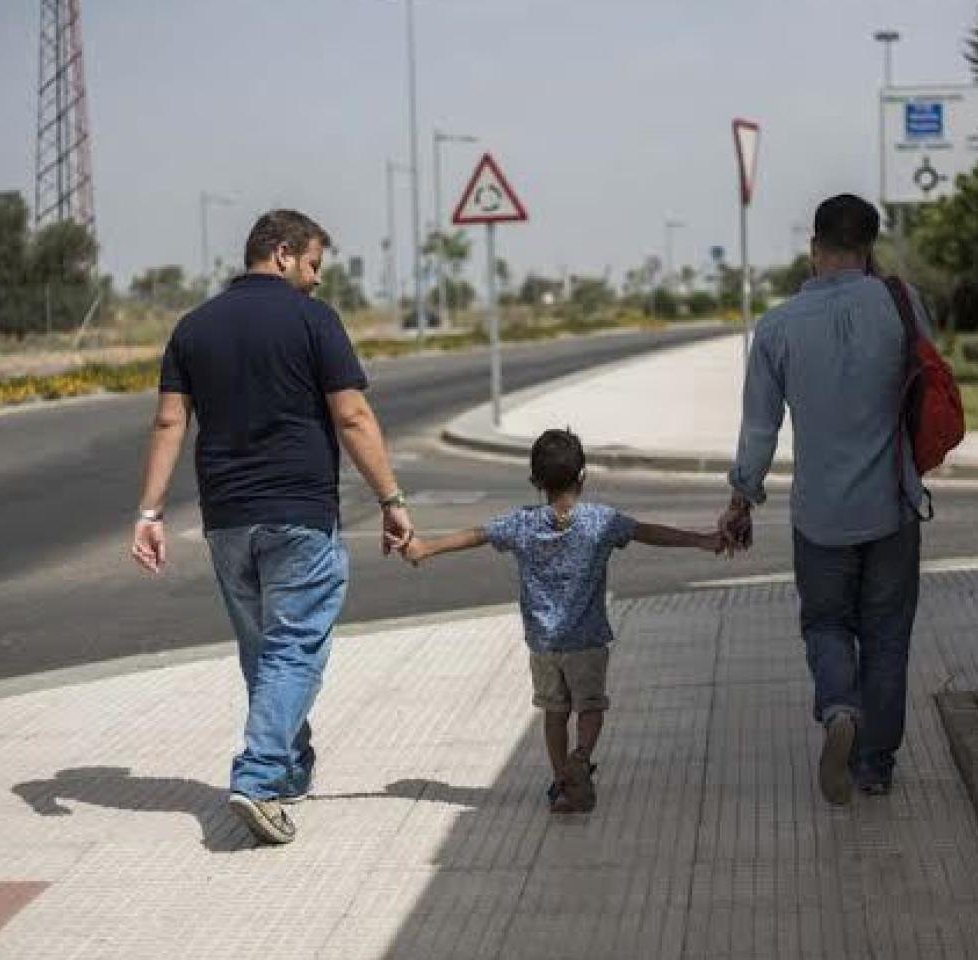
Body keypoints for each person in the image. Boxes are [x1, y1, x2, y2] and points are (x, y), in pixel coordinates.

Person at [130, 209, 415, 845]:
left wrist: (149, 514)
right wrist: (391, 499)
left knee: (265, 652)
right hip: (298, 514)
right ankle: (257, 778)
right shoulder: (314, 320)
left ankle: (288, 767)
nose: (316, 280)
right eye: (313, 264)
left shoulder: (192, 328)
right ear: (283, 254)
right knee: (293, 650)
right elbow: (353, 416)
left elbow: (168, 424)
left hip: (226, 520)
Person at [719, 193, 930, 805]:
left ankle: (839, 706)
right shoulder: (902, 304)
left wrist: (742, 499)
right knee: (888, 636)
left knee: (827, 623)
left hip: (820, 517)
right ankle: (875, 766)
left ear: (815, 250)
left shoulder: (778, 328)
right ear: (869, 249)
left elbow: (760, 430)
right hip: (893, 504)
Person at [403, 428, 723, 813]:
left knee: (554, 714)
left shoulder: (522, 524)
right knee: (591, 707)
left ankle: (561, 784)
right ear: (583, 475)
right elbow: (648, 532)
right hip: (586, 640)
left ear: (536, 481)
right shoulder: (600, 521)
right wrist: (701, 539)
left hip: (543, 644)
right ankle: (581, 756)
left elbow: (477, 534)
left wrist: (425, 547)